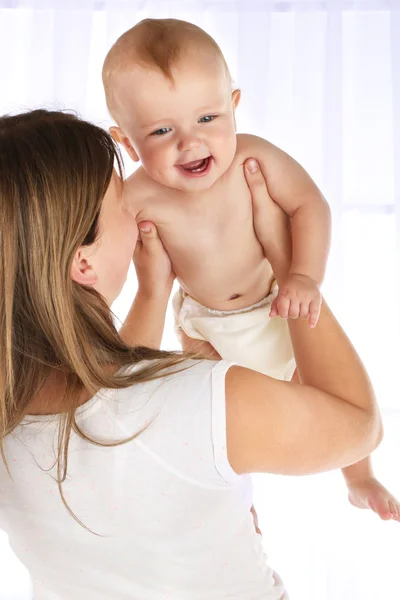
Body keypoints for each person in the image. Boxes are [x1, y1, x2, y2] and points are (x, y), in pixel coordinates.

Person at [0, 109, 382, 599]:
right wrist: (290, 268)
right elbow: (356, 425)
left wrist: (152, 295)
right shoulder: (201, 398)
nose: (138, 212)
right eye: (122, 201)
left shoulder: (10, 425)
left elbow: (113, 410)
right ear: (83, 261)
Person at [102, 18, 400, 521]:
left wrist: (304, 276)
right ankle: (236, 510)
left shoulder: (252, 159)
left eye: (207, 118)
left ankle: (358, 475)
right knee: (204, 414)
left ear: (234, 106)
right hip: (203, 325)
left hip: (276, 306)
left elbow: (311, 205)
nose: (190, 143)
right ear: (128, 143)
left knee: (324, 384)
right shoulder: (135, 197)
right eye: (161, 130)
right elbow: (105, 253)